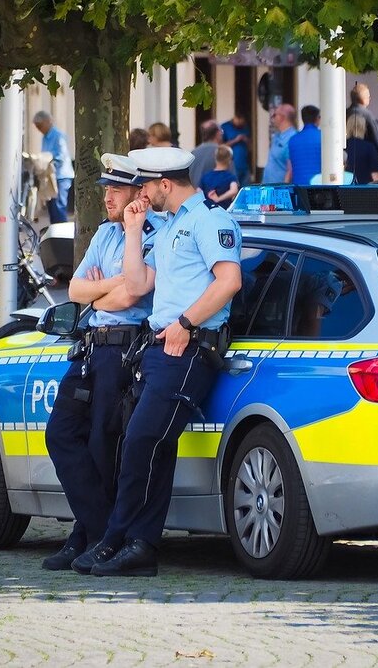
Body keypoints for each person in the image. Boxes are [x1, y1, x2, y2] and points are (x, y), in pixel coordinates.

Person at [71, 146, 242, 577]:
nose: (140, 194)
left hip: (189, 346)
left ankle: (119, 540)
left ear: (165, 184)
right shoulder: (167, 227)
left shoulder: (209, 220)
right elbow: (138, 282)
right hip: (159, 346)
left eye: (145, 185)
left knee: (143, 440)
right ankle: (137, 545)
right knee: (148, 444)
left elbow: (229, 281)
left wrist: (186, 322)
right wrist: (132, 230)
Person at [41, 153, 160, 571]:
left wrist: (101, 291)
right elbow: (74, 290)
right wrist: (108, 287)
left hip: (122, 351)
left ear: (137, 193)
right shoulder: (106, 235)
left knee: (101, 447)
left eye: (116, 189)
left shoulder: (153, 234)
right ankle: (96, 530)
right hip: (90, 347)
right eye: (105, 188)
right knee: (60, 433)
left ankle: (90, 537)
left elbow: (134, 295)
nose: (107, 196)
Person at [32, 111, 75, 221]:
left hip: (61, 176)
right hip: (49, 176)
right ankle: (55, 232)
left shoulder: (58, 136)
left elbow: (62, 156)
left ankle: (61, 234)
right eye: (37, 127)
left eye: (40, 126)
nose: (38, 129)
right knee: (51, 206)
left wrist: (48, 160)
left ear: (47, 122)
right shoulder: (44, 137)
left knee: (59, 206)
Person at [287, 105, 322, 185]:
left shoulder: (293, 140)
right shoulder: (324, 138)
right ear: (317, 119)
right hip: (319, 188)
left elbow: (290, 168)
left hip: (299, 188)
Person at [344, 113, 378, 185]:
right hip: (364, 190)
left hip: (345, 189)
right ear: (363, 128)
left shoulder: (342, 147)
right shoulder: (369, 147)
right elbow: (376, 176)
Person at [263, 103, 297, 183]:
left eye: (274, 115)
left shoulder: (292, 138)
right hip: (269, 188)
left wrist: (285, 189)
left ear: (281, 117)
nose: (272, 118)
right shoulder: (276, 136)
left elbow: (291, 168)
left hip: (280, 190)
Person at [345, 82, 378, 151]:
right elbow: (376, 140)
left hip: (347, 153)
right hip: (366, 153)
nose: (369, 99)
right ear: (364, 99)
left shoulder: (344, 113)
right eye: (368, 97)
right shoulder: (368, 116)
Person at [189, 120, 224, 187]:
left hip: (195, 195)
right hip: (216, 195)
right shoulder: (222, 152)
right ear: (217, 133)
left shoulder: (193, 153)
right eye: (221, 131)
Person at [220, 114, 252, 185]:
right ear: (235, 118)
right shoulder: (225, 127)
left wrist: (245, 139)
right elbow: (221, 146)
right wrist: (236, 140)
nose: (241, 124)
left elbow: (250, 146)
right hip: (231, 164)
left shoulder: (245, 127)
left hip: (245, 165)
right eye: (240, 121)